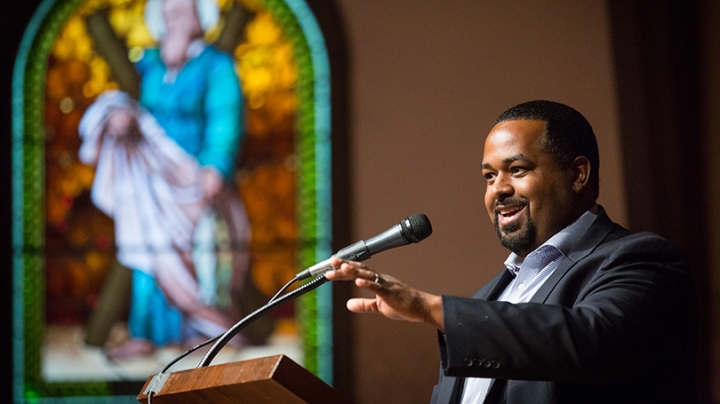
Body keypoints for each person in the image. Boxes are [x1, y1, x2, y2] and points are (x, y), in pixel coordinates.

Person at [326, 100, 697, 404]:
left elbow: (590, 342)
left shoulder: (641, 260)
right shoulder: (491, 295)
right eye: (489, 176)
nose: (497, 189)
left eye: (516, 169)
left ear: (578, 174)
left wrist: (429, 308)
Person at [79, 0, 252, 358]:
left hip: (193, 178)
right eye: (168, 13)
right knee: (149, 253)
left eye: (182, 12)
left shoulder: (216, 66)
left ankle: (203, 330)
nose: (173, 18)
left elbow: (225, 116)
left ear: (200, 18)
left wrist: (215, 165)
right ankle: (147, 334)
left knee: (196, 258)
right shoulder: (151, 67)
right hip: (151, 181)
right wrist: (119, 121)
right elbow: (132, 109)